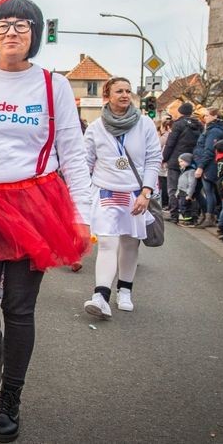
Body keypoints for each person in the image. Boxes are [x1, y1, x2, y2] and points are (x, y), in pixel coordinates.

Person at [0, 0, 94, 442]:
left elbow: (73, 155)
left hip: (36, 204)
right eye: (3, 25)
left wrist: (81, 215)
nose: (12, 32)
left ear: (35, 35)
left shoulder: (54, 85)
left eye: (22, 26)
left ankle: (11, 398)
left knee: (20, 308)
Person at [80, 77, 161, 320]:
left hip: (136, 194)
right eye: (119, 91)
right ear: (107, 96)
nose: (125, 95)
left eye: (128, 91)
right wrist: (83, 192)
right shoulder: (96, 128)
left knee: (129, 243)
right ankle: (100, 296)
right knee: (107, 243)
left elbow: (153, 159)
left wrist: (146, 192)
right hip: (106, 191)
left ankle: (124, 290)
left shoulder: (145, 124)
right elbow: (85, 161)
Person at [191, 107, 223, 228]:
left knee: (209, 191)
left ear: (215, 116)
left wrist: (201, 167)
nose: (204, 118)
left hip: (209, 165)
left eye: (207, 115)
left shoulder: (214, 131)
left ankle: (210, 216)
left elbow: (209, 150)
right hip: (205, 163)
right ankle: (206, 214)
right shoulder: (211, 129)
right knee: (200, 191)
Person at [161, 102, 201, 213]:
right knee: (188, 187)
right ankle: (187, 211)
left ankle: (174, 210)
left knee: (173, 187)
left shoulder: (178, 124)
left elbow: (170, 143)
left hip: (176, 160)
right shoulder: (198, 124)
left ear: (180, 111)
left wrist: (164, 158)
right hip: (192, 160)